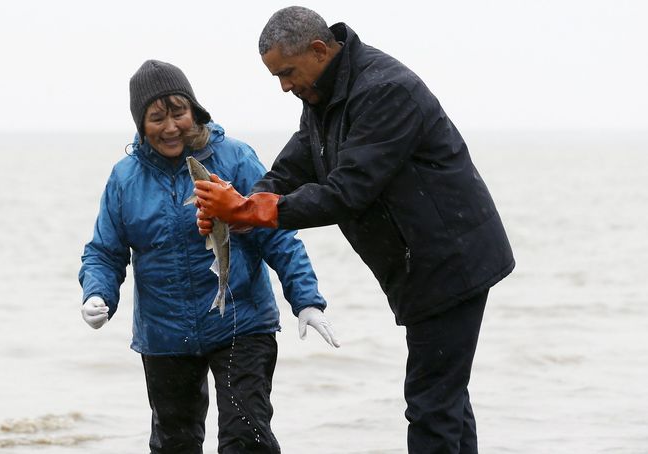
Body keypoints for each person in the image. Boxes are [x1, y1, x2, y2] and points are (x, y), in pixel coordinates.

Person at [193, 7, 515, 454]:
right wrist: (236, 210)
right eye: (276, 78)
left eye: (287, 72)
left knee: (430, 404)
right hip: (417, 264)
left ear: (319, 50)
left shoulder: (386, 91)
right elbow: (292, 169)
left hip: (450, 261)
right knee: (446, 400)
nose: (285, 86)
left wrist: (250, 209)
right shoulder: (321, 97)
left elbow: (348, 191)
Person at [79, 59, 339, 454]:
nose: (170, 127)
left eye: (179, 112)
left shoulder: (234, 157)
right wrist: (97, 294)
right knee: (174, 444)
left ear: (195, 111)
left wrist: (306, 299)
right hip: (165, 335)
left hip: (241, 322)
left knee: (246, 438)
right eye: (156, 118)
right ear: (140, 124)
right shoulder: (124, 178)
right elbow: (105, 251)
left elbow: (278, 234)